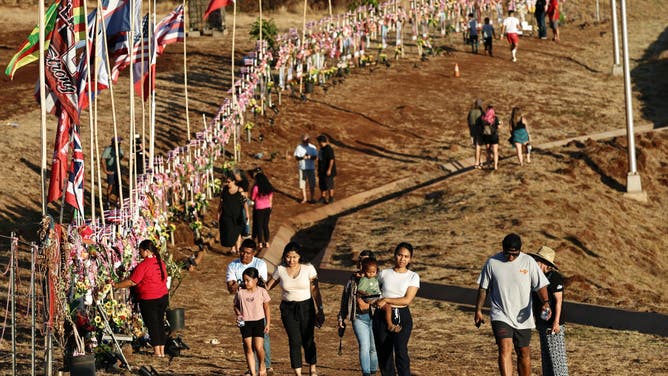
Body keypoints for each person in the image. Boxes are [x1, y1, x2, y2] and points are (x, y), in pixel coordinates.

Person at [474, 233, 551, 376]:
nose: (510, 257)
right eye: (508, 254)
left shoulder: (528, 262)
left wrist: (546, 302)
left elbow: (540, 286)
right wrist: (478, 310)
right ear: (502, 249)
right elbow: (483, 288)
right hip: (500, 314)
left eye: (514, 255)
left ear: (520, 250)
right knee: (504, 348)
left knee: (523, 352)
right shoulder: (492, 262)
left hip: (523, 317)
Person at [266, 242, 325, 376]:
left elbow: (315, 290)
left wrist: (320, 309)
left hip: (306, 307)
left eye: (294, 257)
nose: (291, 260)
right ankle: (297, 372)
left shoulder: (308, 269)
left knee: (308, 338)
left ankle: (312, 367)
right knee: (294, 340)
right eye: (288, 257)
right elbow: (268, 286)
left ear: (299, 257)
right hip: (288, 309)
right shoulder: (280, 269)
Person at [113, 239, 168, 358]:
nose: (139, 253)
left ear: (147, 251)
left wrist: (116, 285)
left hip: (149, 298)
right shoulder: (160, 262)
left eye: (141, 251)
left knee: (152, 324)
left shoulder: (144, 265)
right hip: (162, 296)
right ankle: (161, 350)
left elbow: (132, 281)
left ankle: (157, 352)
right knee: (159, 323)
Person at [226, 239, 273, 374]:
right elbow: (231, 288)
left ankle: (265, 365)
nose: (244, 255)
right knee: (247, 343)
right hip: (244, 310)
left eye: (247, 253)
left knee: (261, 341)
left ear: (253, 253)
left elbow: (262, 286)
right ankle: (253, 369)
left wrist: (240, 284)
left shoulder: (260, 264)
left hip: (257, 309)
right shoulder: (233, 265)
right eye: (242, 252)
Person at [372, 242, 420, 376]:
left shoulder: (413, 276)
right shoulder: (384, 273)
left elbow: (407, 299)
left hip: (402, 315)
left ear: (410, 259)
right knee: (383, 352)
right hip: (381, 315)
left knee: (401, 350)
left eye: (406, 256)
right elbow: (373, 290)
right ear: (395, 255)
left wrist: (386, 299)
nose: (402, 259)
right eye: (400, 255)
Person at [337, 250, 379, 376]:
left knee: (374, 348)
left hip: (375, 317)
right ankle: (366, 373)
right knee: (364, 346)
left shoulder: (378, 279)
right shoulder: (352, 279)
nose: (363, 263)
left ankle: (373, 372)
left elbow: (384, 297)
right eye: (361, 261)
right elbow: (345, 299)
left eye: (366, 260)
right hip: (358, 317)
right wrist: (341, 317)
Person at [530, 246, 569, 376]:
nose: (535, 262)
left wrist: (556, 322)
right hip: (542, 323)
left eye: (538, 260)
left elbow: (559, 301)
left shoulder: (554, 278)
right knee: (546, 360)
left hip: (553, 324)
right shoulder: (536, 277)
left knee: (557, 361)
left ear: (545, 264)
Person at [234, 267, 271, 376]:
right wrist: (238, 314)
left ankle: (262, 364)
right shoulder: (240, 293)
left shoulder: (262, 291)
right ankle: (253, 372)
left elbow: (266, 308)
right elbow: (235, 306)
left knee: (258, 346)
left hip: (259, 321)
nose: (245, 283)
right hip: (245, 322)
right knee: (248, 347)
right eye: (244, 280)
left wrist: (268, 323)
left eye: (248, 280)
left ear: (255, 280)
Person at [358, 258, 399, 333]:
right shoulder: (364, 280)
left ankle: (390, 323)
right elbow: (359, 289)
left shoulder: (375, 278)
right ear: (364, 271)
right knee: (387, 307)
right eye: (368, 272)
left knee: (388, 307)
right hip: (370, 298)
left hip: (376, 296)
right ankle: (390, 325)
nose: (371, 274)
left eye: (373, 272)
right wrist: (365, 293)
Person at [218, 171, 246, 253]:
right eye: (226, 182)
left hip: (238, 216)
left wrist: (246, 214)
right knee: (230, 232)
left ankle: (238, 248)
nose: (227, 183)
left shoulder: (240, 190)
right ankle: (233, 248)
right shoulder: (225, 190)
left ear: (234, 181)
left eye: (229, 182)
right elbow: (221, 202)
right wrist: (219, 212)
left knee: (237, 232)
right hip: (227, 216)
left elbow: (244, 203)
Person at [251, 172, 274, 249]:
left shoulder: (256, 188)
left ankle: (260, 242)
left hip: (259, 208)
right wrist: (270, 210)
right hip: (267, 208)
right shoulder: (269, 187)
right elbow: (270, 200)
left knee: (259, 225)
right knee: (265, 225)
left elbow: (253, 198)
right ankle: (267, 242)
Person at [293, 134, 318, 204]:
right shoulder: (299, 147)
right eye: (304, 141)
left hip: (310, 168)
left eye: (307, 140)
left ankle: (312, 197)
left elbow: (316, 157)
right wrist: (302, 158)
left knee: (312, 183)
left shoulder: (312, 147)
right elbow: (296, 157)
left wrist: (310, 157)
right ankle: (304, 198)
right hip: (302, 168)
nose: (306, 142)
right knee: (302, 183)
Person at [102, 137, 124, 208]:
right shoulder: (108, 150)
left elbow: (121, 156)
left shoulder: (120, 149)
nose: (118, 144)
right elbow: (103, 159)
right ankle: (107, 201)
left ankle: (117, 200)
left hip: (118, 170)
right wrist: (105, 170)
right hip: (111, 171)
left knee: (118, 186)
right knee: (110, 186)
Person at [480, 105, 502, 170]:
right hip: (494, 136)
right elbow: (499, 127)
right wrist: (501, 124)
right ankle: (495, 166)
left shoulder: (483, 118)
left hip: (486, 136)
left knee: (488, 152)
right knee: (495, 152)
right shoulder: (495, 118)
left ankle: (488, 166)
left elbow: (481, 127)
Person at [316, 134, 336, 204]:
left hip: (327, 170)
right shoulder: (321, 149)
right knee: (322, 184)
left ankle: (331, 197)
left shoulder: (329, 149)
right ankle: (323, 197)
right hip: (321, 170)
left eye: (319, 142)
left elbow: (331, 159)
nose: (318, 143)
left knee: (329, 184)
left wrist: (329, 169)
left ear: (322, 141)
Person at [467, 99, 485, 169]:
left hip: (472, 131)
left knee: (477, 147)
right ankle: (477, 163)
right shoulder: (481, 112)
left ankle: (479, 161)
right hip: (479, 131)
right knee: (478, 147)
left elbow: (468, 121)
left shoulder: (471, 111)